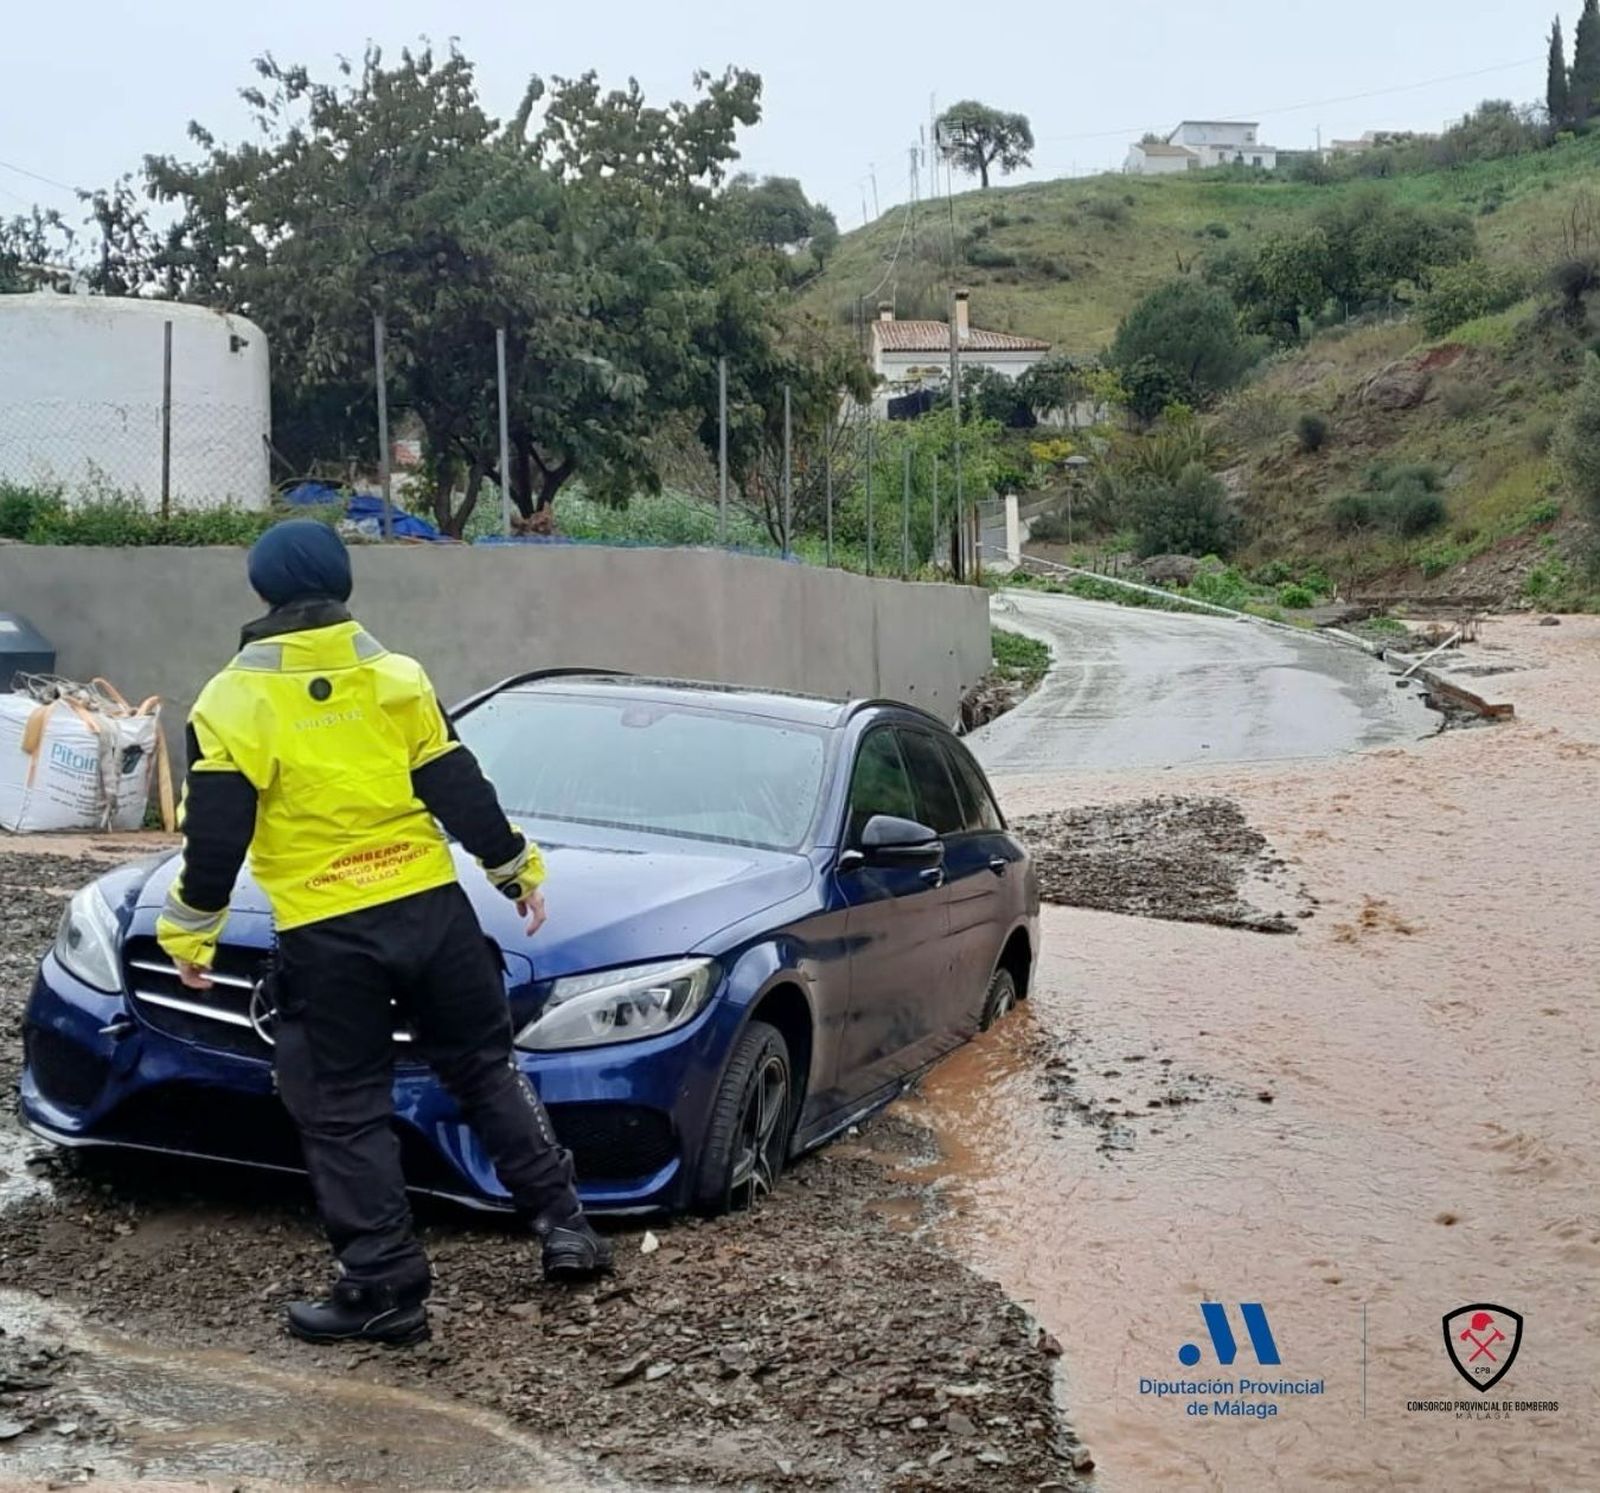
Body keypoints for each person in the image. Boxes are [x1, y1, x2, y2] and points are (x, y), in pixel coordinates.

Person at [155, 519, 612, 1346]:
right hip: (431, 910)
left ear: (262, 590)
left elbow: (217, 832)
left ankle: (385, 1287)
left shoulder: (232, 698)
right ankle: (566, 1226)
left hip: (330, 932)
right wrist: (515, 870)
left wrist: (192, 933)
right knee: (484, 1068)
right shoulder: (395, 675)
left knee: (342, 1106)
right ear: (343, 586)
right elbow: (456, 781)